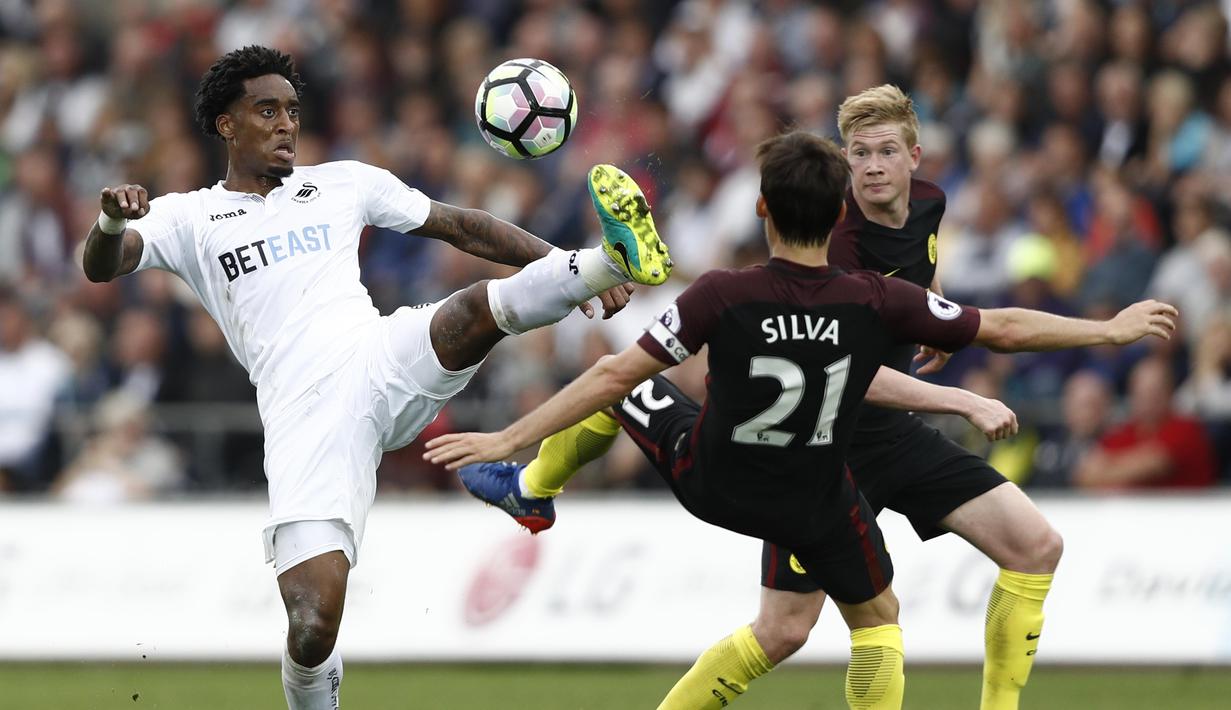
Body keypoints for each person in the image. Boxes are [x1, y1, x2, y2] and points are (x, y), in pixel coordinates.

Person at [424, 131, 1177, 710]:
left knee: (624, 389)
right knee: (878, 622)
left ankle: (532, 482)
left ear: (760, 210)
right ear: (838, 209)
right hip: (816, 500)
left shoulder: (722, 293)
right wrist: (1105, 331)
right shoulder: (873, 300)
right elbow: (1003, 326)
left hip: (713, 477)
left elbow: (613, 371)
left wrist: (508, 436)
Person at [79, 45, 671, 710]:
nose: (285, 125)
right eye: (266, 110)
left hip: (378, 357)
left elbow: (461, 226)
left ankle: (605, 262)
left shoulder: (343, 183)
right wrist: (110, 220)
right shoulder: (188, 217)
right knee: (311, 625)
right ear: (226, 125)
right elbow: (103, 265)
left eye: (293, 112)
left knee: (472, 309)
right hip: (305, 416)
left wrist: (562, 262)